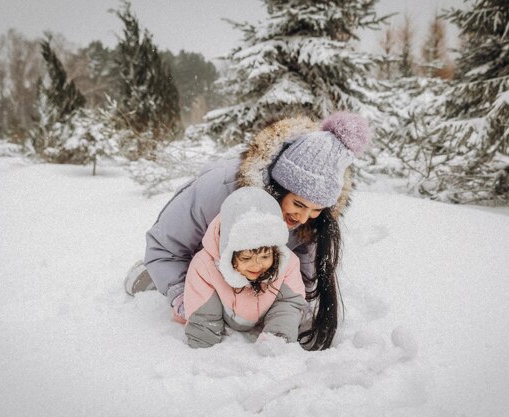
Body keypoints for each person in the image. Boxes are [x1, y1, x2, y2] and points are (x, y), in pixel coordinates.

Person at [124, 111, 372, 350]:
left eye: (316, 210)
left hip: (250, 268)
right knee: (183, 285)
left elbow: (300, 265)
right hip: (198, 264)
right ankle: (145, 276)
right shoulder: (217, 190)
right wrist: (182, 295)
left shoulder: (308, 219)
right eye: (298, 204)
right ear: (278, 187)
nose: (303, 217)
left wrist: (296, 303)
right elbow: (164, 248)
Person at [183, 187, 306, 348]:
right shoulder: (205, 266)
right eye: (246, 258)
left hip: (256, 317)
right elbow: (203, 314)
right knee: (150, 284)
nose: (256, 265)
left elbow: (288, 303)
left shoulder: (288, 264)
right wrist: (202, 345)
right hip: (219, 312)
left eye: (265, 256)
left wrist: (278, 337)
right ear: (229, 251)